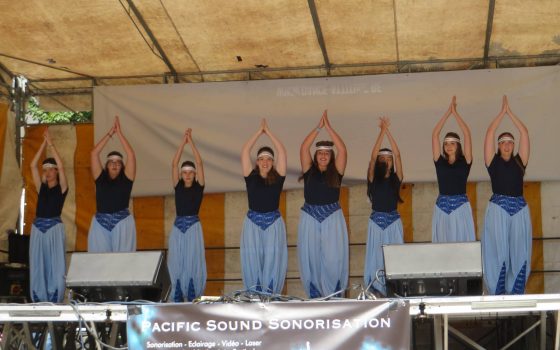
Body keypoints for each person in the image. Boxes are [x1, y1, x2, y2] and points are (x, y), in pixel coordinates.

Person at [483, 96, 531, 295]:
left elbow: (524, 133)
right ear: (498, 145)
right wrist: (501, 114)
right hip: (498, 208)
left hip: (519, 208)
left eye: (510, 142)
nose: (507, 145)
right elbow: (489, 133)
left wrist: (510, 113)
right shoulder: (492, 162)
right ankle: (497, 291)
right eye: (503, 142)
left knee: (520, 252)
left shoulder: (520, 161)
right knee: (498, 252)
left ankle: (516, 291)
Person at [298, 110, 348, 298]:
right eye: (320, 153)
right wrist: (319, 128)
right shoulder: (309, 170)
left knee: (333, 259)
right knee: (311, 258)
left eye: (327, 153)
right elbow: (304, 148)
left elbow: (343, 150)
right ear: (316, 155)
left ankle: (334, 295)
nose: (323, 156)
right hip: (309, 216)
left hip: (332, 216)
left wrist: (330, 128)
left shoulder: (337, 171)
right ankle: (315, 296)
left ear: (331, 156)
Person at [240, 119, 288, 293]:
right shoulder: (250, 176)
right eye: (261, 159)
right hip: (252, 223)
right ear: (257, 162)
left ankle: (271, 296)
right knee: (253, 260)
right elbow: (245, 151)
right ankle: (254, 295)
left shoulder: (278, 176)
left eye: (268, 159)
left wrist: (269, 132)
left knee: (272, 261)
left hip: (273, 223)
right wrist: (259, 132)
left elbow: (282, 152)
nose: (265, 162)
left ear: (273, 162)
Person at [363, 117, 403, 296]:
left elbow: (399, 154)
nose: (386, 160)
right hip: (376, 222)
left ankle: (394, 290)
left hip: (393, 221)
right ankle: (375, 290)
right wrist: (381, 132)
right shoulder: (373, 178)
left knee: (395, 258)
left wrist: (388, 132)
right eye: (383, 158)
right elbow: (371, 158)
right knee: (375, 257)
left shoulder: (396, 178)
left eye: (389, 158)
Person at [168, 128, 207, 302]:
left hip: (193, 226)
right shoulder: (178, 186)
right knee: (177, 261)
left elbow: (200, 163)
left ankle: (192, 294)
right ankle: (177, 293)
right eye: (185, 173)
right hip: (178, 226)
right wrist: (182, 143)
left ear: (195, 175)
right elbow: (174, 164)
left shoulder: (199, 187)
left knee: (192, 260)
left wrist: (191, 142)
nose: (188, 175)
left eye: (191, 172)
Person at [29, 128, 68, 302]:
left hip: (54, 227)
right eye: (45, 169)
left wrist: (51, 144)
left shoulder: (62, 188)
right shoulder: (41, 188)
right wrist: (43, 143)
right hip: (38, 227)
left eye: (51, 169)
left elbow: (61, 165)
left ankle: (54, 296)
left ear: (57, 172)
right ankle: (38, 296)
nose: (48, 171)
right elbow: (32, 165)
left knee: (55, 264)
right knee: (38, 263)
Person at [88, 116, 137, 252]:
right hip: (100, 222)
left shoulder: (127, 178)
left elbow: (131, 155)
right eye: (111, 162)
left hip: (122, 221)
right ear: (106, 166)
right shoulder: (100, 177)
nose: (114, 164)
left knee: (123, 262)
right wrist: (110, 133)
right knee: (100, 263)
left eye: (118, 162)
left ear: (122, 166)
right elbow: (94, 153)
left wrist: (119, 134)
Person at [431, 96, 475, 242]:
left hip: (461, 207)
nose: (449, 146)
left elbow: (467, 134)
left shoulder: (465, 161)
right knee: (442, 246)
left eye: (452, 144)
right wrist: (447, 113)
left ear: (458, 146)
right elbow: (435, 135)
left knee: (462, 244)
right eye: (446, 144)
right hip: (441, 208)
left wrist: (455, 113)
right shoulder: (440, 161)